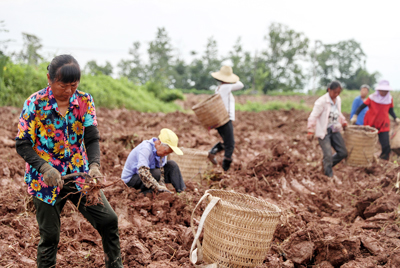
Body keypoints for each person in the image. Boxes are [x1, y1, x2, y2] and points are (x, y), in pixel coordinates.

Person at [15, 55, 122, 268]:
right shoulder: (35, 103)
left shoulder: (84, 101)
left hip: (78, 173)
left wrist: (94, 165)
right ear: (49, 78)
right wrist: (45, 168)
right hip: (45, 179)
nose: (68, 91)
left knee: (109, 220)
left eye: (74, 85)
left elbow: (91, 137)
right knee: (50, 237)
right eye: (63, 85)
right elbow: (22, 143)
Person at [121, 128, 186, 194]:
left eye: (168, 153)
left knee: (172, 165)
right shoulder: (145, 149)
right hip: (131, 180)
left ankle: (182, 192)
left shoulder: (162, 153)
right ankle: (145, 193)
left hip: (150, 175)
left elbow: (161, 171)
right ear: (159, 143)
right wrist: (158, 186)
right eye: (165, 152)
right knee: (155, 173)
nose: (166, 155)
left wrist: (162, 186)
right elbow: (142, 171)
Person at [307, 81, 348, 177]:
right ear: (329, 90)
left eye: (338, 93)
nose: (336, 95)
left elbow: (337, 112)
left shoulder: (338, 100)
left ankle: (326, 165)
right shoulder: (321, 101)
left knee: (343, 152)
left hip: (335, 129)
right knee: (328, 155)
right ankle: (328, 177)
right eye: (335, 92)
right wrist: (310, 130)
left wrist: (343, 121)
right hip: (323, 131)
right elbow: (313, 116)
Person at [351, 80, 400, 160]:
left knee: (386, 145)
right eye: (382, 91)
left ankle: (383, 162)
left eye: (385, 91)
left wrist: (395, 118)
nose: (384, 93)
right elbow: (361, 107)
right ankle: (363, 158)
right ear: (379, 90)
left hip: (383, 123)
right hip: (371, 123)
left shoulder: (389, 99)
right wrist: (355, 115)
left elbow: (390, 110)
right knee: (367, 142)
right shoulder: (372, 98)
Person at [207, 66, 244, 171]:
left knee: (225, 142)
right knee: (230, 144)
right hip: (225, 119)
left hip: (219, 119)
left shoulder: (218, 88)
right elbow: (241, 85)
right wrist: (233, 79)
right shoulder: (226, 87)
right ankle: (225, 170)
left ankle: (212, 152)